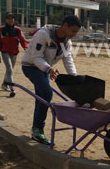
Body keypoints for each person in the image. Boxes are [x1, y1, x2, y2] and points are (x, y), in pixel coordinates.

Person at [21, 15, 81, 145]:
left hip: (45, 69)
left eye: (76, 32)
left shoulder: (66, 42)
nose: (74, 35)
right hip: (30, 66)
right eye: (73, 31)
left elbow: (68, 60)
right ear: (65, 26)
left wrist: (74, 77)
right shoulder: (43, 35)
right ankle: (38, 129)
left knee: (42, 96)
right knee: (47, 94)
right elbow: (35, 58)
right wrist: (49, 69)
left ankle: (36, 130)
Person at [0, 12, 28, 97]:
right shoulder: (1, 30)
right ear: (6, 20)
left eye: (12, 18)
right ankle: (12, 87)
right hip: (5, 52)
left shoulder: (17, 30)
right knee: (9, 69)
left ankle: (4, 84)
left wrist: (26, 48)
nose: (10, 20)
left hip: (14, 53)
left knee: (10, 70)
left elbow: (22, 40)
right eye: (9, 18)